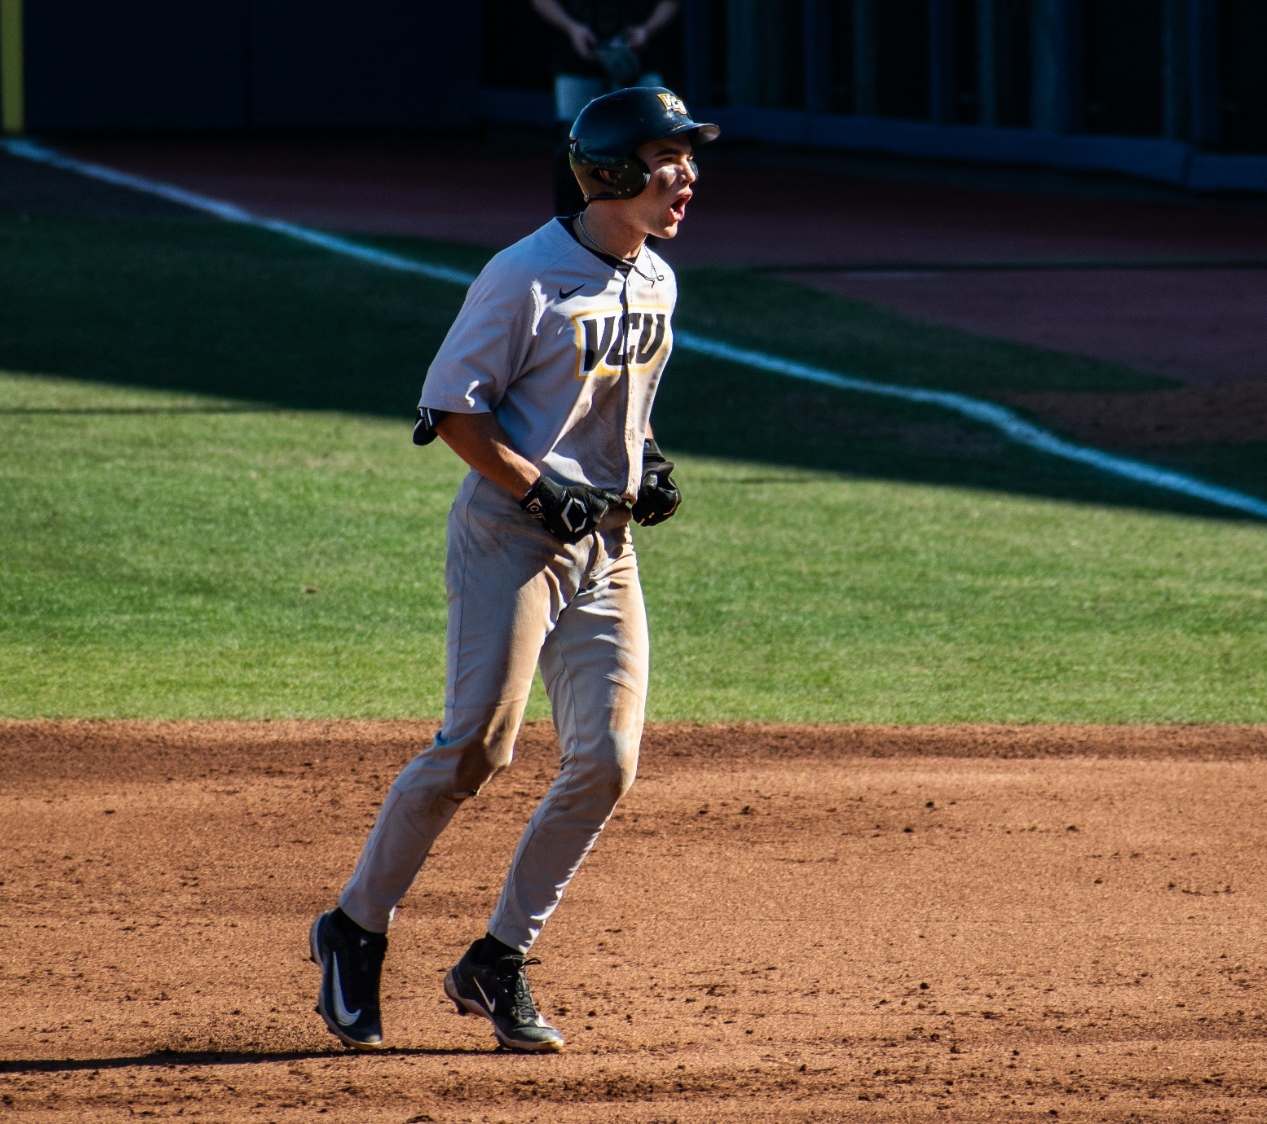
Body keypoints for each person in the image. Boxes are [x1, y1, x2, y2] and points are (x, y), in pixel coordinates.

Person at [308, 87, 717, 1054]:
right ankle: (355, 927)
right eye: (668, 158)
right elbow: (455, 410)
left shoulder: (654, 278)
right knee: (477, 750)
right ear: (611, 172)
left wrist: (645, 463)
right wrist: (539, 491)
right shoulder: (522, 277)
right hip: (510, 540)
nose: (687, 176)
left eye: (691, 159)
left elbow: (619, 402)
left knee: (608, 762)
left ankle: (498, 959)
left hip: (607, 549)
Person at [533, 0, 681, 214]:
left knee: (652, 144)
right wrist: (571, 27)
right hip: (576, 58)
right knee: (573, 146)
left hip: (640, 58)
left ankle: (647, 232)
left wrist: (646, 30)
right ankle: (571, 228)